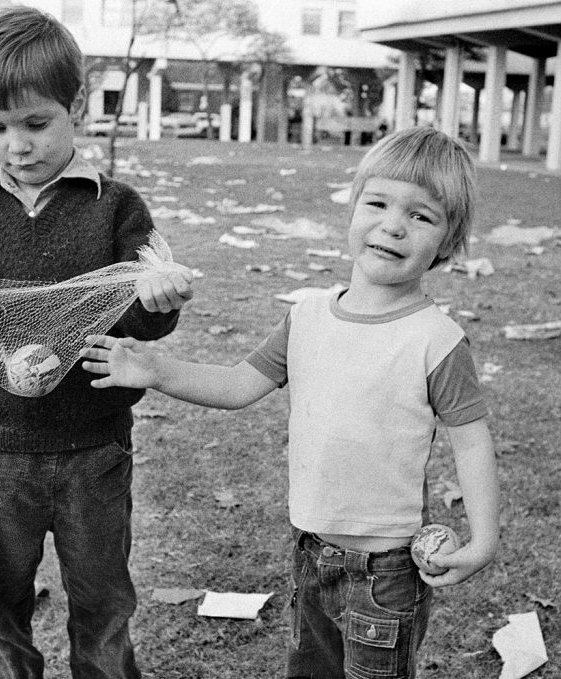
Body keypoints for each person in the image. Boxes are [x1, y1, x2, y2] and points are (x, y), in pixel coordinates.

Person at [80, 126, 500, 678]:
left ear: (446, 242)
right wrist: (156, 369)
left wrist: (483, 540)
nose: (392, 225)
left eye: (421, 215)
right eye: (377, 203)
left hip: (387, 571)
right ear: (352, 211)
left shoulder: (436, 340)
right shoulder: (306, 317)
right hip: (310, 554)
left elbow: (472, 442)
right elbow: (236, 385)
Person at [0, 7, 193, 678]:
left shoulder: (115, 206)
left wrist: (156, 303)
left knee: (104, 604)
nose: (16, 145)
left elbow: (138, 316)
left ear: (76, 105)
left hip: (95, 449)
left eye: (35, 123)